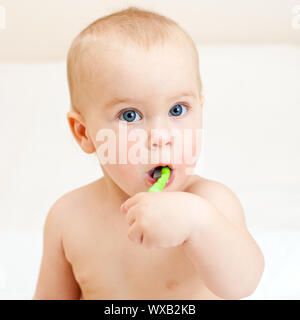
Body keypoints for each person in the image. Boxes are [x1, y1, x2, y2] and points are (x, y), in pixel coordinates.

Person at [33, 6, 264, 300]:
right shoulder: (67, 218)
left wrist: (198, 224)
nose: (161, 137)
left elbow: (242, 285)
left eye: (177, 110)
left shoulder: (211, 204)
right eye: (130, 116)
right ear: (83, 133)